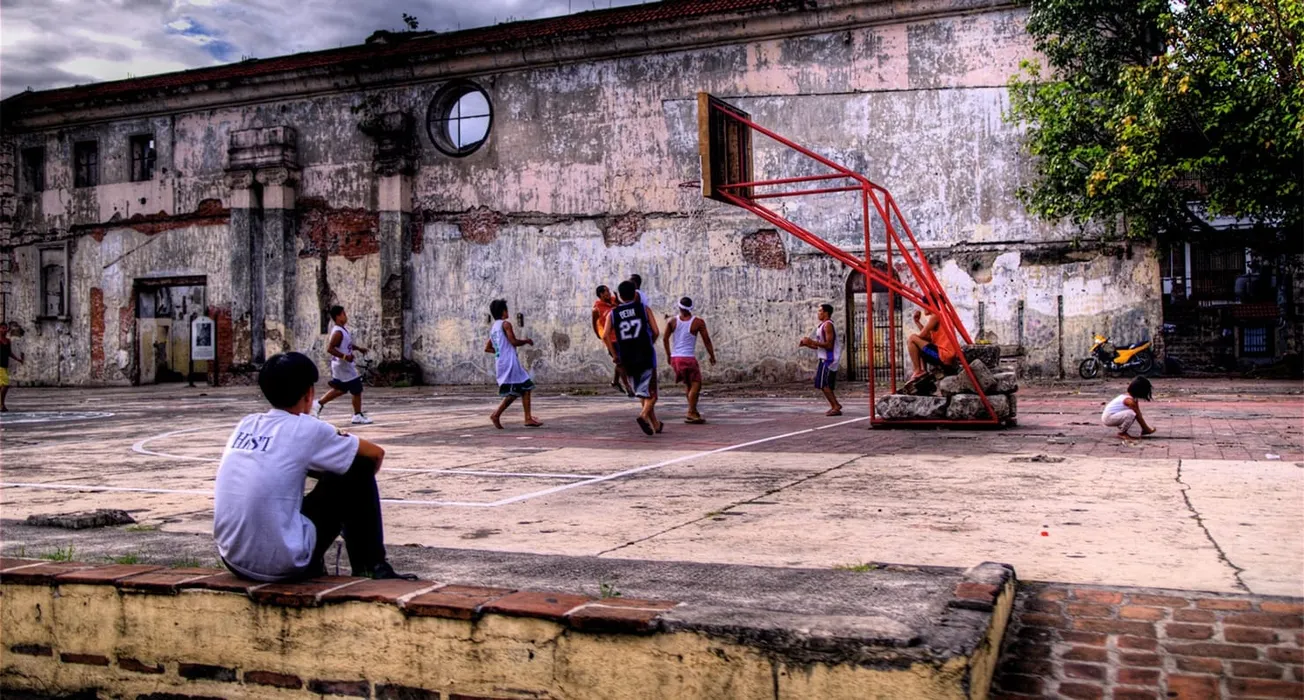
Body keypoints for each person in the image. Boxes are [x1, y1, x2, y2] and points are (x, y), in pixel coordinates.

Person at [214, 352, 415, 582]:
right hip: (285, 563)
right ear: (309, 393)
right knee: (358, 466)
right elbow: (375, 454)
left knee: (297, 476)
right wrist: (353, 497)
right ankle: (371, 565)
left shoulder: (247, 423)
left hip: (233, 558)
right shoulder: (307, 428)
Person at [607, 280, 662, 435]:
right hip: (645, 355)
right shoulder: (643, 309)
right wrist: (649, 343)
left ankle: (655, 424)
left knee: (642, 392)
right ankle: (643, 416)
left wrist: (615, 354)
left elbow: (605, 335)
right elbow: (656, 332)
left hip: (627, 356)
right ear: (635, 294)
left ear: (620, 295)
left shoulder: (613, 313)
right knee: (652, 394)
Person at [485, 299, 543, 429]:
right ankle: (496, 414)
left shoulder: (494, 328)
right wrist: (526, 341)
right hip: (509, 362)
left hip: (502, 362)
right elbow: (513, 342)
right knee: (514, 392)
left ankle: (528, 418)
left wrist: (500, 351)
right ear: (503, 311)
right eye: (506, 310)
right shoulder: (506, 324)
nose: (508, 312)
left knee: (526, 387)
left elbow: (487, 348)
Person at [312, 305, 372, 425]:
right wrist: (345, 357)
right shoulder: (338, 332)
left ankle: (318, 404)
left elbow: (346, 345)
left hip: (342, 365)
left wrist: (358, 348)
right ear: (338, 316)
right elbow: (330, 349)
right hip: (342, 365)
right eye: (344, 314)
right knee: (357, 388)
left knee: (341, 389)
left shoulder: (342, 330)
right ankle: (357, 415)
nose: (346, 316)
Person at [662, 297, 716, 424]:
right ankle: (691, 411)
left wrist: (669, 355)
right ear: (691, 308)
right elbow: (707, 340)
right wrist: (712, 355)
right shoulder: (698, 322)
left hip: (676, 358)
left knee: (688, 384)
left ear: (679, 307)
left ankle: (694, 411)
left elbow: (665, 339)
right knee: (697, 384)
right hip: (688, 358)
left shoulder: (672, 321)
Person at [798, 303, 843, 416]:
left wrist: (811, 341)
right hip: (824, 358)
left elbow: (829, 345)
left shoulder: (828, 325)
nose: (818, 313)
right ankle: (835, 405)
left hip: (829, 359)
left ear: (826, 313)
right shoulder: (821, 326)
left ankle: (835, 406)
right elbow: (820, 346)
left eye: (820, 311)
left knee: (824, 384)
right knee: (823, 384)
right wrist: (808, 344)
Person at [592, 285, 633, 396]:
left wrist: (617, 301)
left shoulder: (614, 300)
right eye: (606, 292)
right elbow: (594, 323)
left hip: (622, 335)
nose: (609, 293)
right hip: (610, 339)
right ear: (601, 294)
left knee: (621, 361)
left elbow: (624, 307)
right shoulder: (597, 309)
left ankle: (615, 382)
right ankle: (628, 387)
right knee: (620, 362)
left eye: (609, 291)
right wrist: (598, 334)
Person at [907, 295, 958, 380]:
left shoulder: (936, 316)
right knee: (916, 342)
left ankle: (918, 370)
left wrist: (916, 339)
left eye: (924, 305)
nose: (923, 308)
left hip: (942, 356)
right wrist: (917, 322)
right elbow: (927, 337)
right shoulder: (942, 315)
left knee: (912, 338)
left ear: (930, 305)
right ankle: (923, 371)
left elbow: (921, 336)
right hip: (944, 355)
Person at [0, 322, 24, 412]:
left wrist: (18, 359)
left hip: (5, 365)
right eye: (2, 328)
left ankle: (2, 404)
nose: (4, 330)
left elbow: (9, 353)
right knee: (5, 385)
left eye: (5, 328)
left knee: (2, 386)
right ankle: (2, 404)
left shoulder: (8, 341)